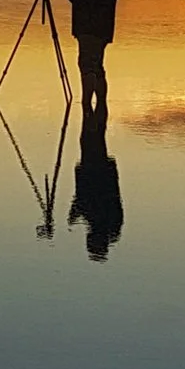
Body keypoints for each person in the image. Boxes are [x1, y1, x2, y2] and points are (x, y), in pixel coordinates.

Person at [62, 0, 118, 115]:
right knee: (97, 65)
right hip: (102, 28)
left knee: (87, 65)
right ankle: (100, 106)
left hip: (90, 28)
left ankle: (86, 103)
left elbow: (86, 0)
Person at [67, 100, 124, 260]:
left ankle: (91, 108)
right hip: (97, 171)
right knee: (92, 136)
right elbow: (86, 199)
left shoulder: (105, 223)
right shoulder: (107, 223)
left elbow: (85, 199)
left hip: (95, 171)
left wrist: (75, 213)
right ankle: (92, 108)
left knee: (91, 136)